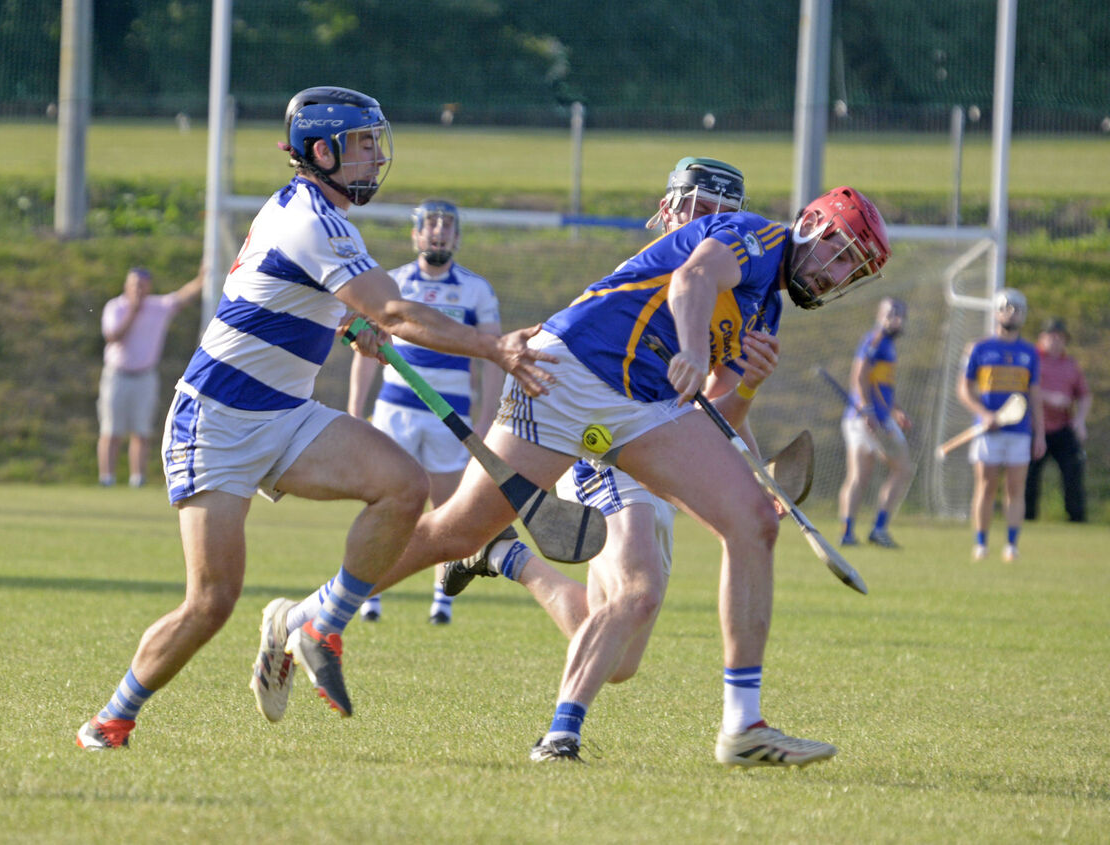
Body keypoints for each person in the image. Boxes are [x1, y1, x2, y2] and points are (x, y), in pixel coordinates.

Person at [258, 180, 892, 767]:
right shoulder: (756, 236)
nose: (834, 274)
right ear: (811, 225)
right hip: (566, 372)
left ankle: (743, 727)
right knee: (455, 531)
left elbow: (714, 415)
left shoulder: (766, 314)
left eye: (849, 273)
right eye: (838, 254)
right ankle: (309, 615)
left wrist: (746, 386)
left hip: (639, 409)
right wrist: (697, 350)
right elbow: (691, 282)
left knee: (752, 521)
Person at [75, 86, 557, 750]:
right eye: (362, 144)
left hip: (285, 414)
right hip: (214, 420)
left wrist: (346, 321)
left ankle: (316, 624)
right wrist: (491, 346)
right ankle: (111, 718)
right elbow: (393, 312)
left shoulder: (316, 216)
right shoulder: (314, 222)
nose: (374, 156)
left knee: (404, 485)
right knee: (212, 602)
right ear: (322, 151)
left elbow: (297, 297)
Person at [438, 157, 781, 761]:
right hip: (603, 442)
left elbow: (715, 415)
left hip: (661, 445)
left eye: (725, 214)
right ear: (670, 209)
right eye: (701, 209)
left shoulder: (752, 296)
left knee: (619, 653)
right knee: (637, 594)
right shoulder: (647, 279)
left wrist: (749, 436)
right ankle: (560, 736)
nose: (712, 223)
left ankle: (502, 555)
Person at [348, 199, 503, 624]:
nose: (438, 231)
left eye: (447, 225)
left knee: (448, 506)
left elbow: (492, 358)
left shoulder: (476, 289)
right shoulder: (392, 282)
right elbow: (366, 349)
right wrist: (354, 408)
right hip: (394, 409)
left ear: (457, 236)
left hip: (450, 416)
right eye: (430, 224)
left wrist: (488, 417)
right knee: (383, 501)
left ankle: (441, 599)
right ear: (416, 234)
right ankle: (369, 594)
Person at [957, 288, 1046, 563]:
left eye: (1017, 309)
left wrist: (1039, 434)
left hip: (1019, 433)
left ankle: (1011, 546)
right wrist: (984, 414)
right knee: (985, 486)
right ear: (996, 312)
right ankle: (981, 545)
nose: (1011, 313)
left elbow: (1035, 395)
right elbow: (963, 389)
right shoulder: (979, 348)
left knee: (1015, 489)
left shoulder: (1029, 353)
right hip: (987, 432)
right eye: (1006, 308)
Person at [97, 265, 204, 487]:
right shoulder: (115, 307)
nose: (138, 289)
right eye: (135, 284)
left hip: (145, 375)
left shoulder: (158, 307)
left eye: (143, 285)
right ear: (126, 285)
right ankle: (106, 478)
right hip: (117, 374)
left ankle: (138, 478)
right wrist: (133, 311)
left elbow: (183, 296)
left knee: (141, 431)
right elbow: (113, 336)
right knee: (111, 430)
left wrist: (203, 276)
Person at [838, 297, 915, 548]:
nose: (897, 319)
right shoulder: (875, 340)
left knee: (893, 470)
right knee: (866, 473)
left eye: (900, 314)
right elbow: (858, 376)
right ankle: (855, 531)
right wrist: (866, 408)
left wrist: (896, 410)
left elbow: (879, 385)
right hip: (864, 419)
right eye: (891, 314)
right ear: (879, 315)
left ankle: (873, 529)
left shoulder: (889, 346)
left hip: (880, 418)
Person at [1025, 317, 1090, 523]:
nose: (1056, 341)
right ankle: (1027, 518)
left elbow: (1085, 395)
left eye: (1060, 337)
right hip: (1035, 428)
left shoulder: (1070, 364)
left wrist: (1080, 420)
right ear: (1041, 338)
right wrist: (1049, 397)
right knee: (1028, 477)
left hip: (1062, 428)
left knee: (1073, 472)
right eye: (1051, 336)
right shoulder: (1031, 359)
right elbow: (1023, 389)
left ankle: (1076, 519)